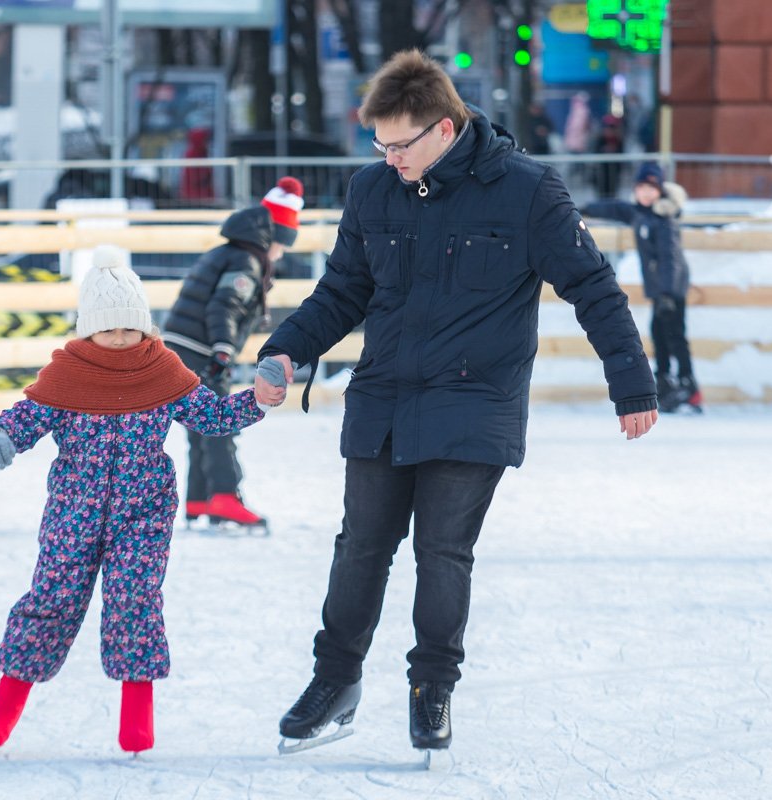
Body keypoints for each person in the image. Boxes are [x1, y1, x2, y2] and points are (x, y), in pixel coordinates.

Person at [253, 49, 658, 755]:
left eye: (399, 145)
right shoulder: (373, 190)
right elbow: (342, 290)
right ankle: (335, 681)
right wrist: (285, 349)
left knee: (443, 552)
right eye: (377, 145)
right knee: (359, 550)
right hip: (384, 397)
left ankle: (431, 688)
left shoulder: (528, 192)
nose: (388, 159)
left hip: (477, 399)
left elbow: (593, 286)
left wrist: (632, 383)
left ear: (443, 129)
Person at [0, 245, 279, 753]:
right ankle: (4, 708)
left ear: (145, 327)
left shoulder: (163, 371)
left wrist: (256, 401)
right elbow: (22, 418)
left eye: (129, 328)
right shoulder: (66, 375)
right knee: (52, 599)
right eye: (108, 329)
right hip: (73, 512)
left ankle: (137, 716)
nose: (120, 338)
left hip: (144, 511)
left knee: (134, 602)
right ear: (88, 329)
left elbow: (213, 418)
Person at [162, 176, 305, 530]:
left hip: (179, 345)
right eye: (282, 247)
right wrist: (223, 350)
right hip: (203, 350)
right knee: (220, 422)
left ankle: (199, 497)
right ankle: (225, 496)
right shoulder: (247, 262)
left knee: (199, 421)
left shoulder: (226, 251)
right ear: (274, 238)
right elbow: (223, 306)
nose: (281, 254)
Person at [584, 162, 700, 413]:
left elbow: (671, 259)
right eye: (641, 188)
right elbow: (615, 208)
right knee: (659, 333)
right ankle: (666, 381)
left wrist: (667, 294)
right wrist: (585, 208)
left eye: (651, 188)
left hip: (671, 289)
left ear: (660, 190)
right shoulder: (639, 213)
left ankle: (688, 385)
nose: (646, 193)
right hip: (660, 289)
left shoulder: (663, 218)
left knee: (675, 335)